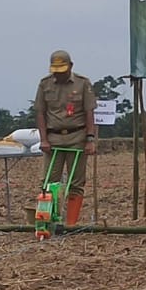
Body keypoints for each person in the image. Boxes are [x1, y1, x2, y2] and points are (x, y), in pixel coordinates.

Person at [33, 50, 96, 227]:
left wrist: (90, 139)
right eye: (56, 70)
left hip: (77, 137)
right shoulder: (44, 84)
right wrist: (43, 139)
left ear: (71, 66)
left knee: (76, 182)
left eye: (62, 70)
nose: (59, 74)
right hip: (53, 138)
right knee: (49, 181)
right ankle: (50, 218)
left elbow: (89, 112)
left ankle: (71, 223)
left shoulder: (83, 83)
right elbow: (40, 113)